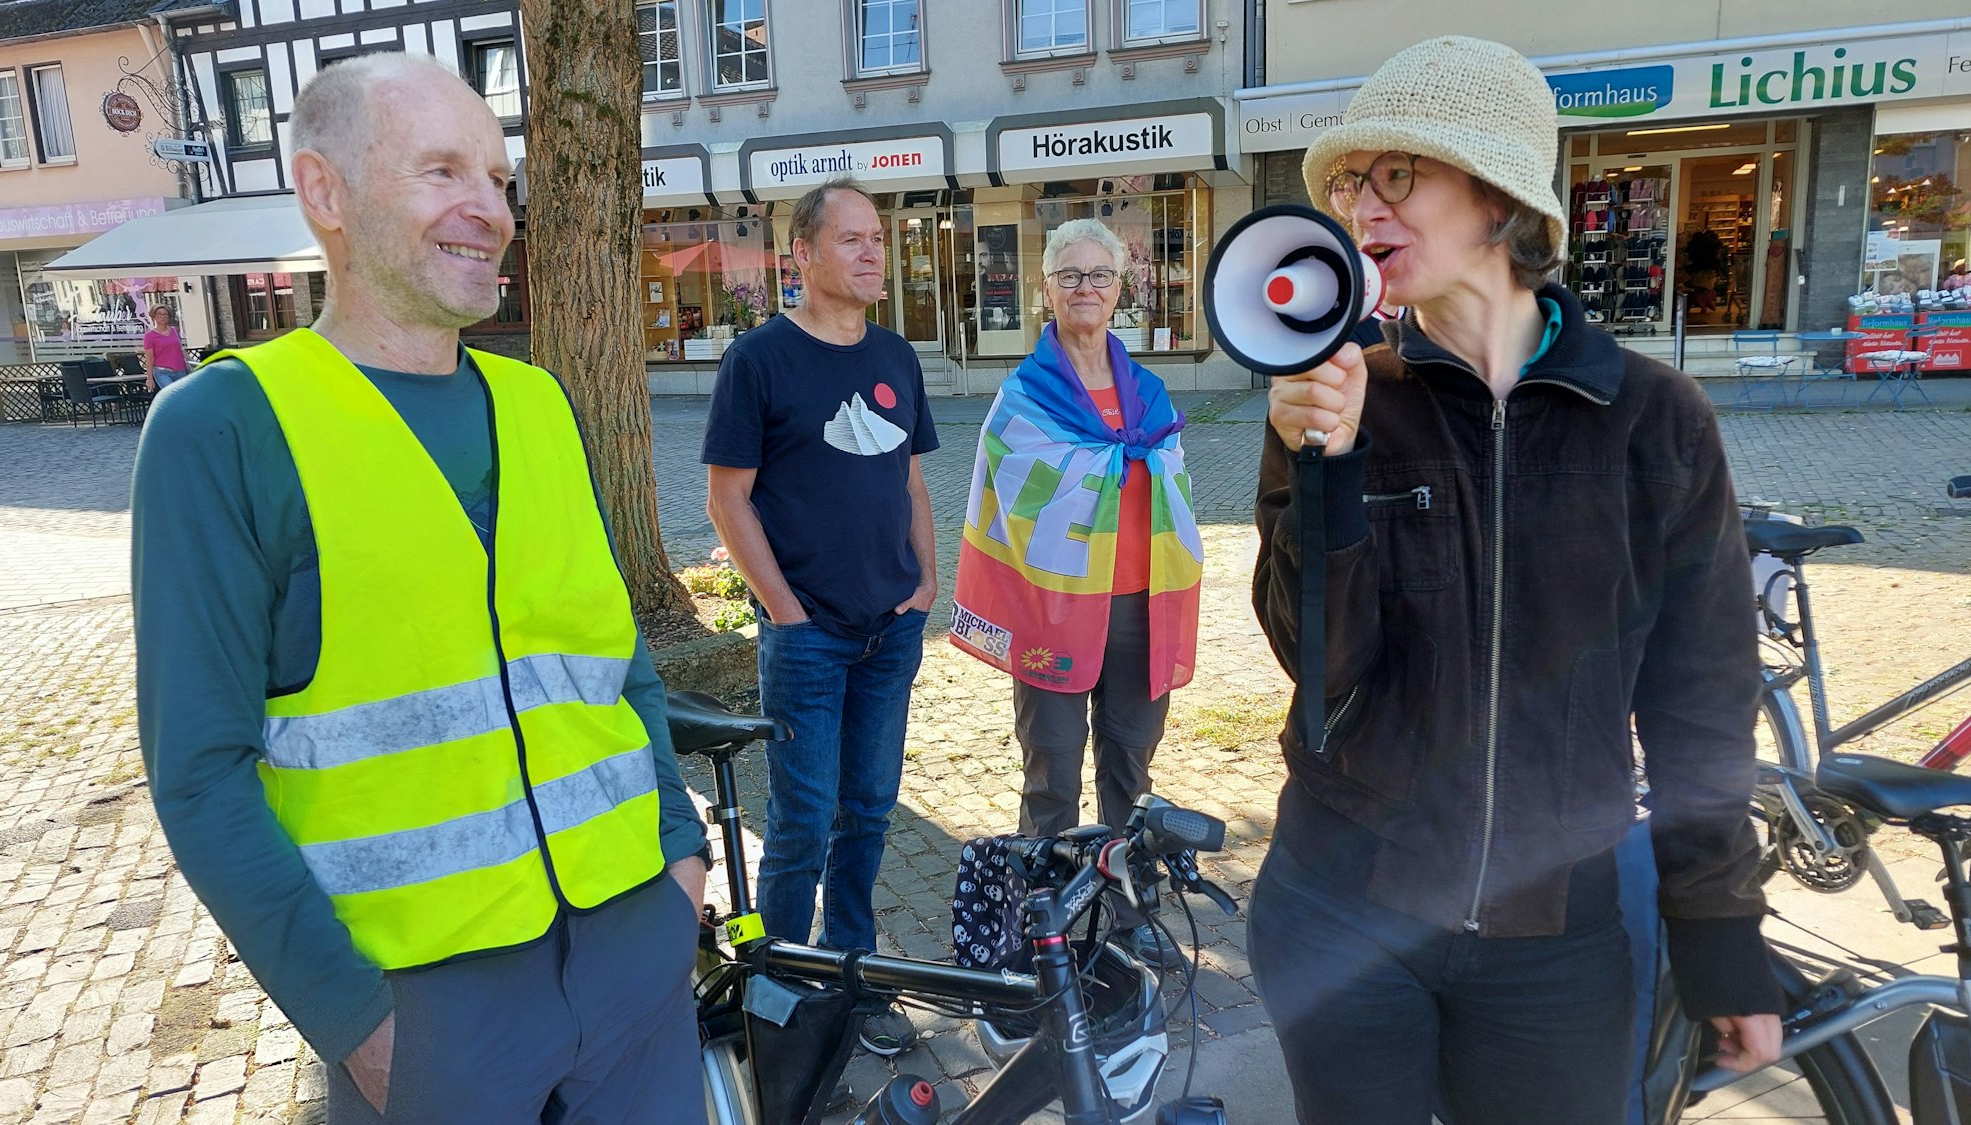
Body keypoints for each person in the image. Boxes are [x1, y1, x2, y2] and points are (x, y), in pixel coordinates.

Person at [132, 54, 708, 1124]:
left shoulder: (542, 406)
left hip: (634, 953)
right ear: (326, 193)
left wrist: (680, 860)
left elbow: (613, 662)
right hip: (429, 1008)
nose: (487, 210)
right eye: (442, 171)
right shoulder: (225, 428)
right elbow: (198, 773)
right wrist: (351, 1020)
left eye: (497, 179)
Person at [1246, 36, 1782, 1123]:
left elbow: (1699, 701)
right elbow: (1319, 670)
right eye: (1352, 181)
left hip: (1558, 937)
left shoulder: (1652, 420)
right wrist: (1324, 472)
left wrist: (1719, 936)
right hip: (1343, 910)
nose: (1361, 206)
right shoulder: (1337, 396)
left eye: (1397, 173)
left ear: (1496, 194)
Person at [703, 176, 937, 1057]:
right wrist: (787, 614)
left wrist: (925, 577)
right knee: (802, 820)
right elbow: (729, 502)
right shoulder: (758, 361)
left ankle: (854, 974)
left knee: (869, 810)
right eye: (852, 239)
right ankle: (779, 993)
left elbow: (911, 473)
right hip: (809, 638)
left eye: (877, 237)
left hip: (891, 626)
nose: (874, 251)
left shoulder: (896, 356)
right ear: (801, 255)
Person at [949, 218, 1201, 967]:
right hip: (1054, 612)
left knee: (1130, 768)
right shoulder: (1023, 396)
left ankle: (1130, 920)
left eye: (1099, 275)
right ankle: (1045, 926)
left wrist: (1133, 468)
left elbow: (1175, 486)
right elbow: (1007, 486)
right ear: (1046, 290)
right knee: (1052, 771)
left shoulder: (1150, 391)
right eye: (1069, 276)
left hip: (1138, 609)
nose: (1084, 288)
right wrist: (1105, 468)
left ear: (1120, 288)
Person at [143, 304, 188, 391]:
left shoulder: (175, 330)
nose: (163, 317)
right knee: (171, 393)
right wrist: (149, 378)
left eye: (165, 314)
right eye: (159, 314)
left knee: (183, 395)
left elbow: (179, 349)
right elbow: (149, 358)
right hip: (162, 372)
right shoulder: (149, 335)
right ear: (154, 316)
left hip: (180, 370)